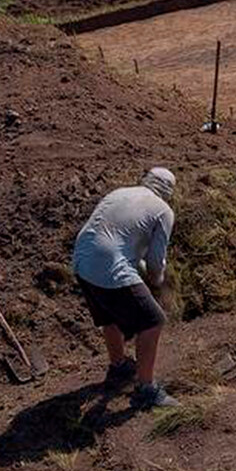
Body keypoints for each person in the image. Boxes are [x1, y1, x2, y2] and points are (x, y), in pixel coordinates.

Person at [72, 167, 178, 409]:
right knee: (153, 321)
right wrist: (158, 282)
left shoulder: (119, 193)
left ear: (145, 180)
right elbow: (155, 262)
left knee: (109, 316)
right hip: (109, 265)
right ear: (169, 192)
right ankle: (146, 390)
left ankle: (119, 367)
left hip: (81, 259)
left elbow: (119, 238)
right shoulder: (163, 210)